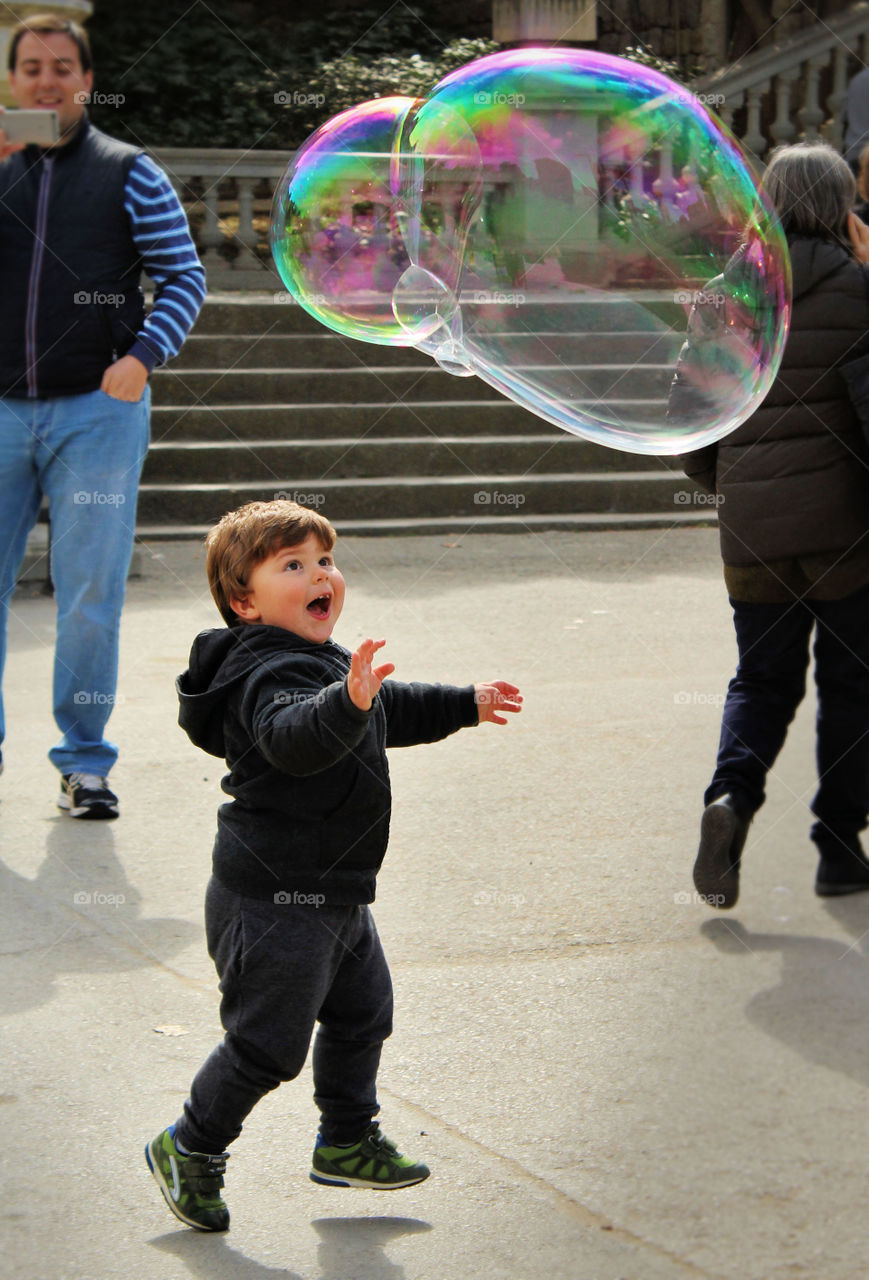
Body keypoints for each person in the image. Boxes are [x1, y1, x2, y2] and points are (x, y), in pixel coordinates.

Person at [145, 499, 522, 1232]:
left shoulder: (316, 661)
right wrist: (344, 704)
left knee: (362, 1013)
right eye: (293, 565)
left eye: (324, 560)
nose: (320, 575)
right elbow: (293, 735)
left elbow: (385, 707)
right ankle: (189, 1146)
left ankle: (346, 1139)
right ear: (242, 601)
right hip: (274, 901)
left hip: (335, 890)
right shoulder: (264, 671)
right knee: (266, 1046)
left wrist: (461, 704)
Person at [0, 13, 206, 818]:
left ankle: (84, 763)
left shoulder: (129, 171)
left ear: (86, 79)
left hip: (97, 411)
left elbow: (183, 277)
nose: (46, 80)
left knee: (89, 596)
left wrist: (141, 358)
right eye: (30, 67)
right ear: (13, 79)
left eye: (61, 67)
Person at [673, 142, 869, 908]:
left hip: (751, 529)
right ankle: (837, 844)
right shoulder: (860, 289)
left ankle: (729, 802)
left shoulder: (723, 297)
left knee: (759, 682)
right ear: (840, 200)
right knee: (851, 686)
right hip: (847, 534)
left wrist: (730, 490)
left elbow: (687, 424)